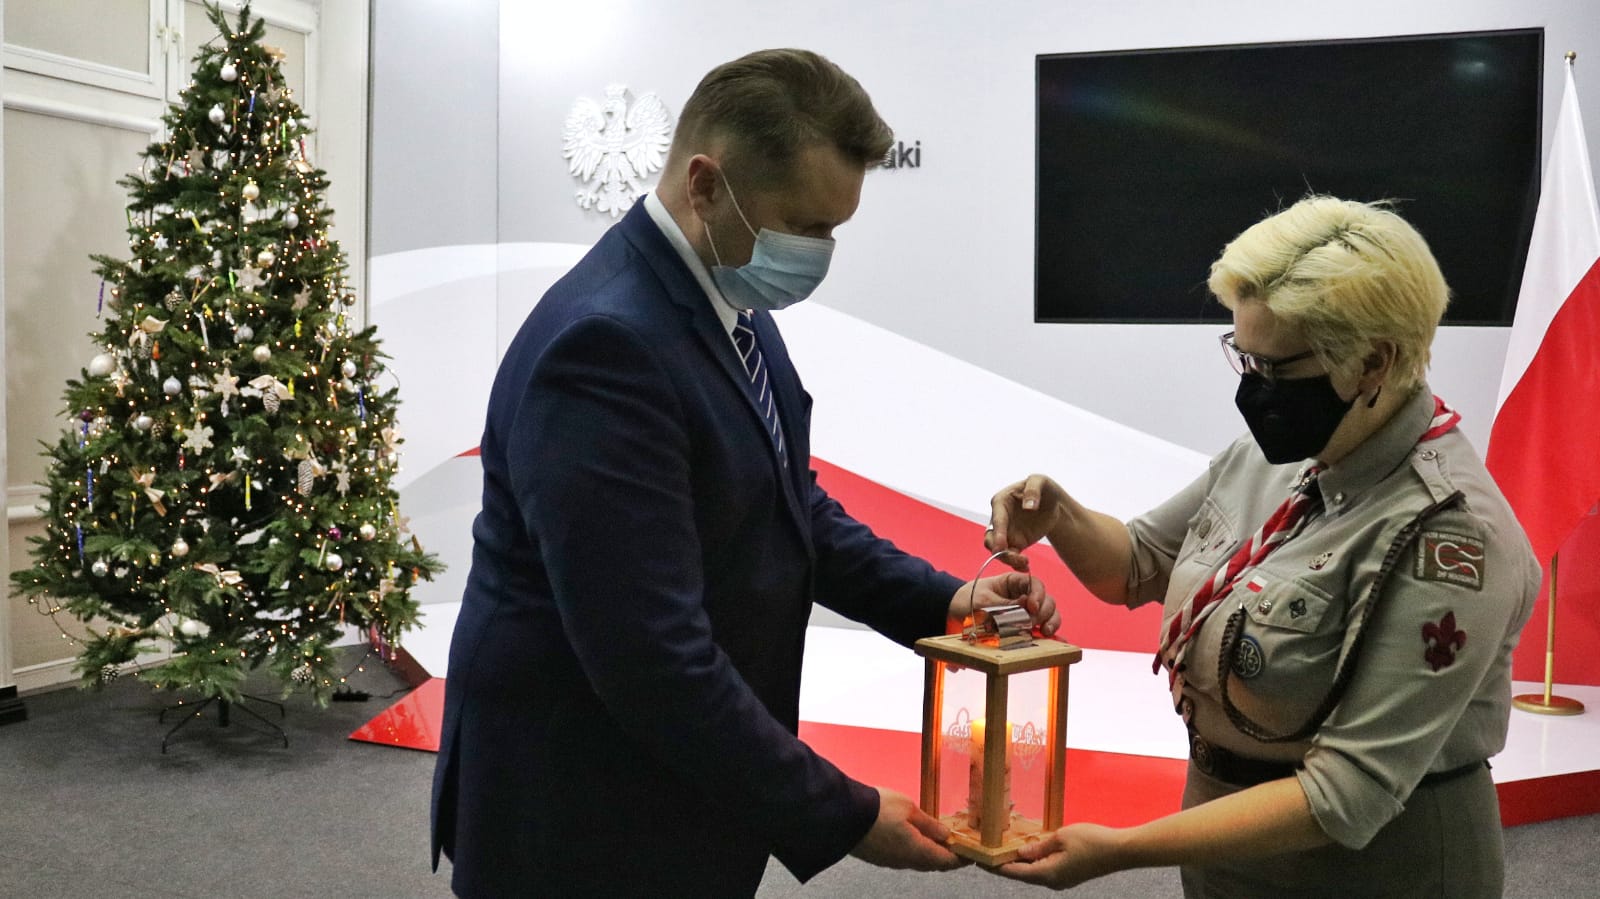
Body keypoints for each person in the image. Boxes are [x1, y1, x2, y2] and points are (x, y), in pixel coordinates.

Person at [429, 48, 1058, 898]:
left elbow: (785, 505)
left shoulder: (727, 301)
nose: (820, 252)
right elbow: (652, 658)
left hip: (675, 795)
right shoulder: (605, 347)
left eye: (834, 230)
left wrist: (948, 601)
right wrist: (843, 813)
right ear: (705, 185)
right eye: (805, 226)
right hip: (582, 818)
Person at [984, 196, 1537, 897]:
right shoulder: (1284, 452)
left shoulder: (1449, 534)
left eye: (1276, 369)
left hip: (1375, 871)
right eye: (1243, 358)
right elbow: (1137, 564)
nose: (1254, 390)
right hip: (1225, 844)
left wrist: (1123, 848)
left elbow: (1348, 792)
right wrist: (1060, 514)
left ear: (1374, 361)